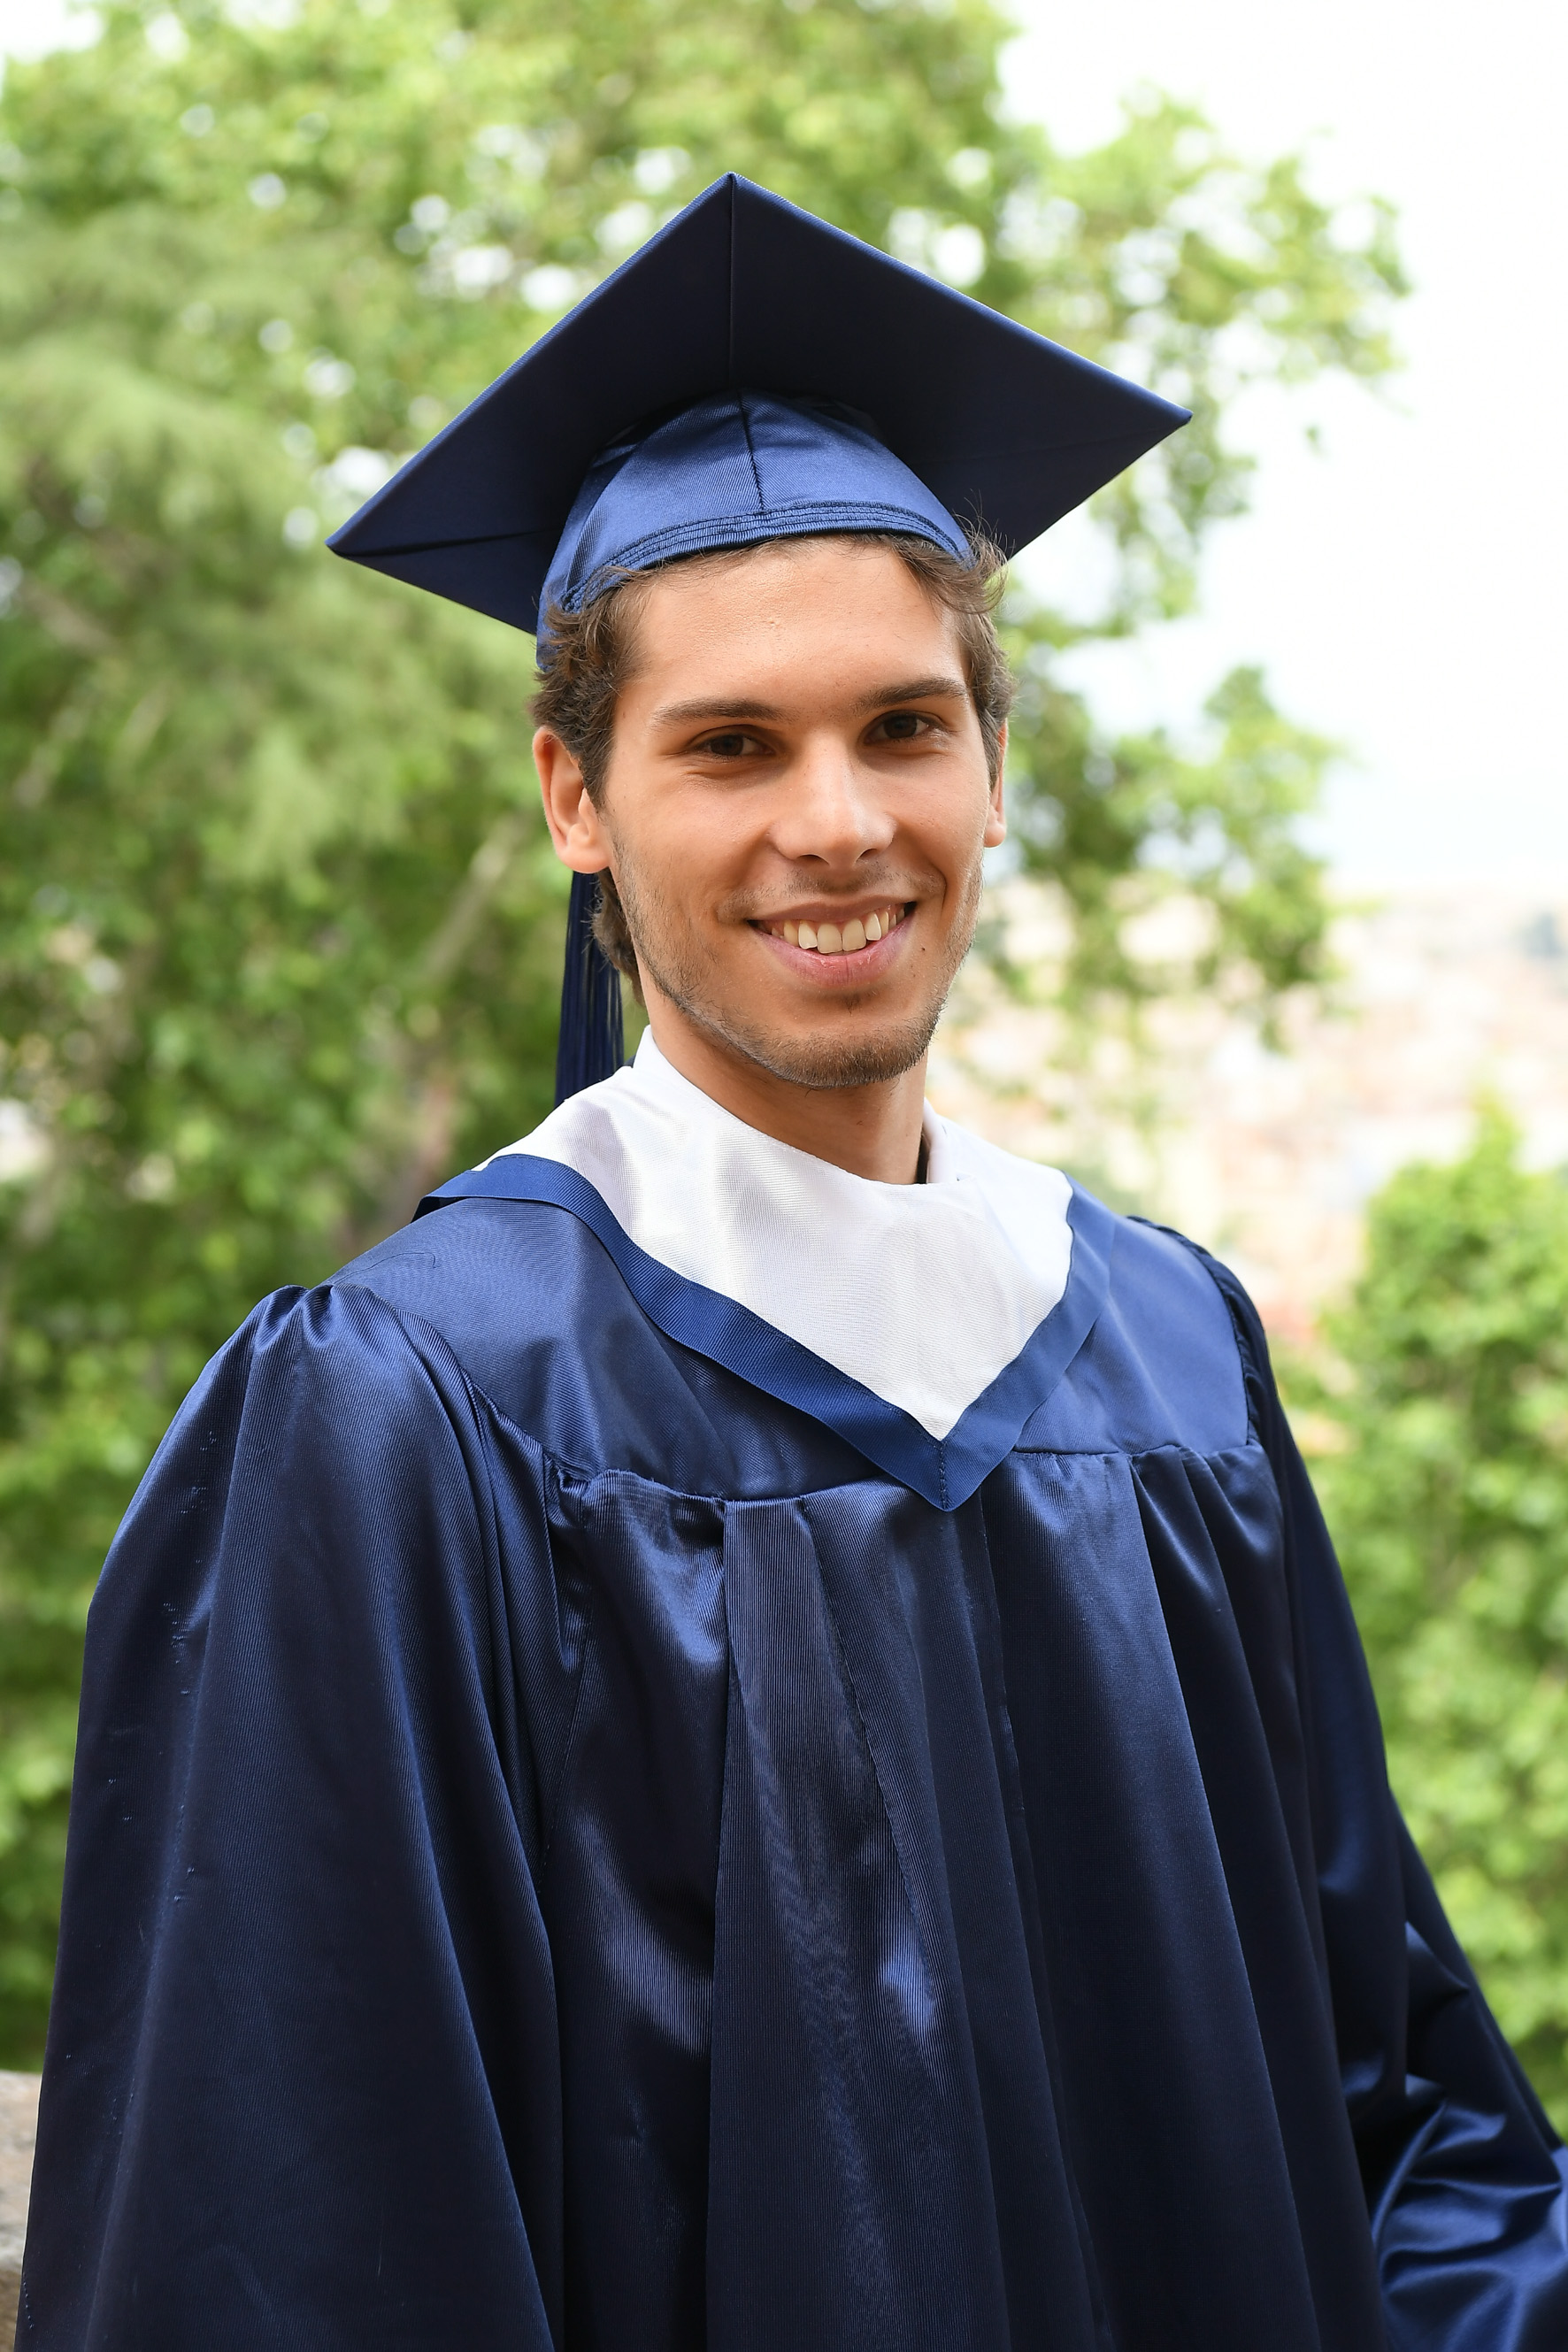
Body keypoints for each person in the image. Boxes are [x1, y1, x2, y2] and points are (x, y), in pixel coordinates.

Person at [19, 176, 1568, 2351]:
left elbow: (1394, 2112)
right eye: (729, 744)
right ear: (576, 797)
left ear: (994, 763)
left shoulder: (1165, 1356)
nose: (834, 821)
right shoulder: (409, 1416)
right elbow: (299, 2216)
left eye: (901, 726)